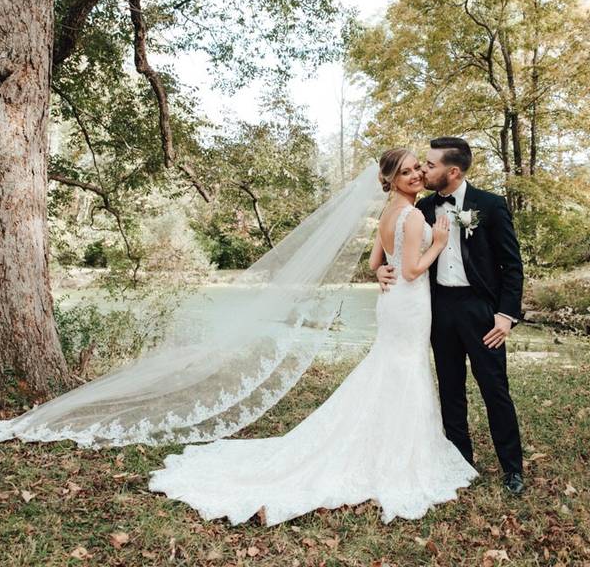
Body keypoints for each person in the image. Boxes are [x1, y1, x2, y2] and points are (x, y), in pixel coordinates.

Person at [147, 148, 479, 525]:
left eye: (418, 168)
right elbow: (412, 270)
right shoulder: (414, 215)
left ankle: (384, 440)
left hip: (393, 306)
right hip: (410, 304)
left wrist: (382, 272)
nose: (416, 175)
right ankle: (401, 453)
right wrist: (437, 243)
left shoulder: (388, 213)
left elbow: (376, 263)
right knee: (405, 368)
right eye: (406, 173)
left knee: (392, 366)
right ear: (391, 180)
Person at [376, 137, 526, 495]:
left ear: (453, 171)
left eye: (429, 165)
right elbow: (392, 246)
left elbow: (512, 265)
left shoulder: (490, 205)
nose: (423, 170)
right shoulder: (422, 208)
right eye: (419, 165)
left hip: (482, 311)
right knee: (450, 387)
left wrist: (505, 315)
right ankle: (460, 461)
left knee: (495, 388)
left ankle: (512, 469)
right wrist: (378, 271)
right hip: (437, 309)